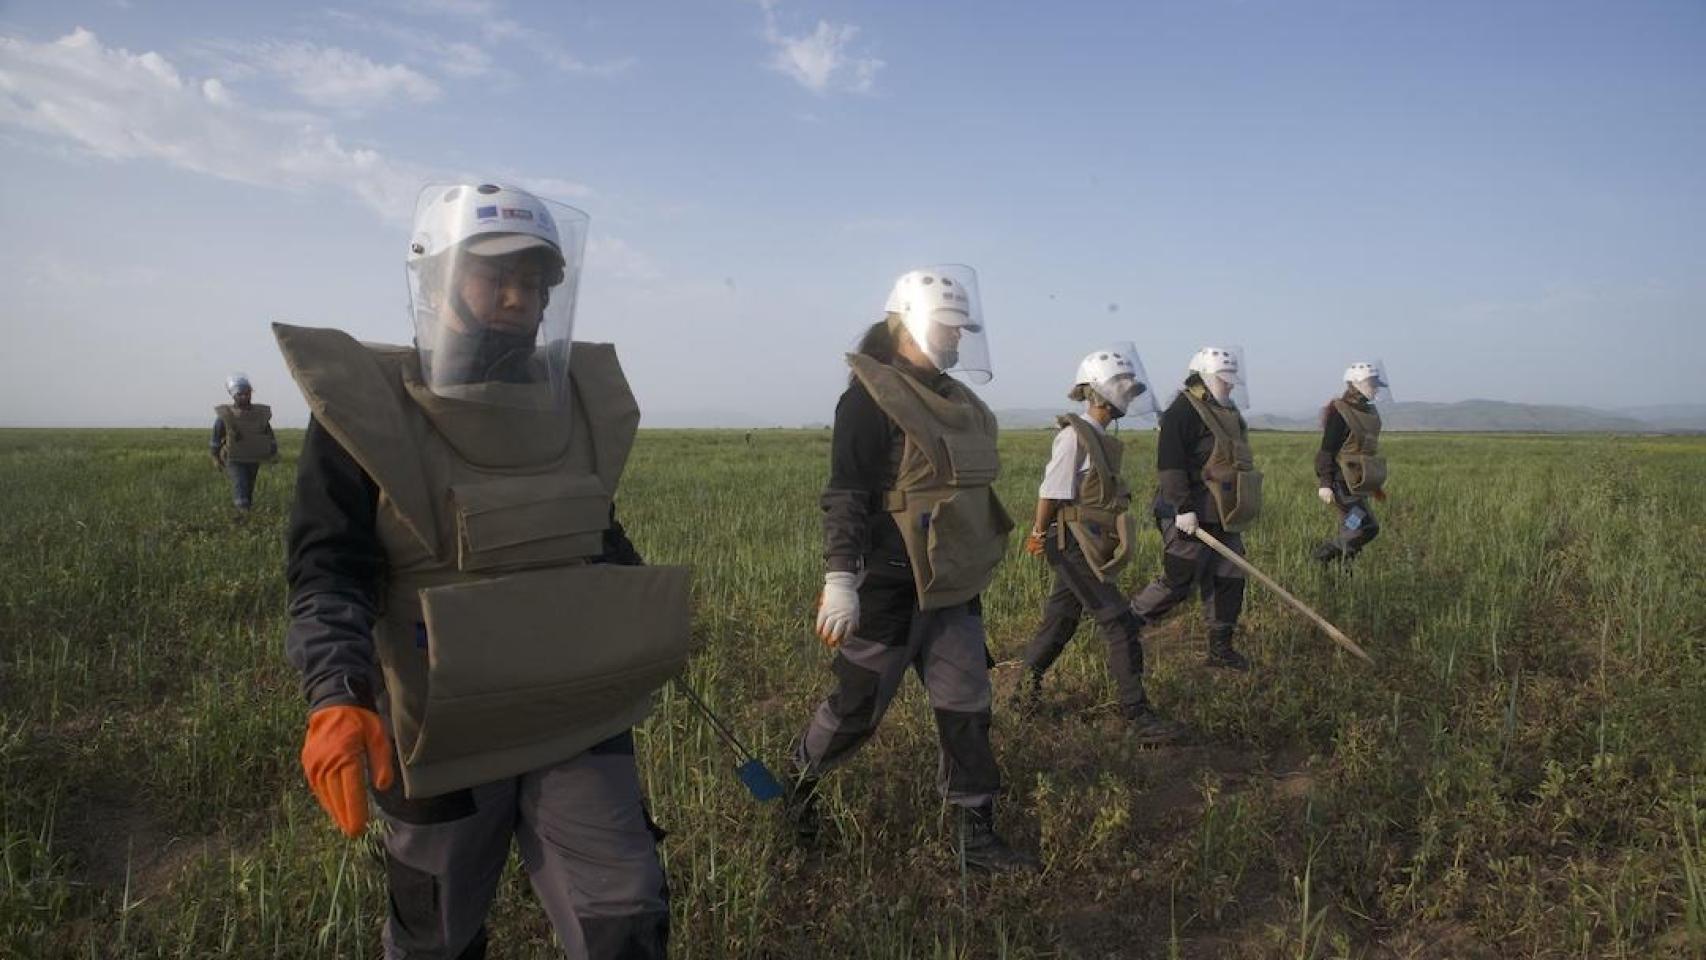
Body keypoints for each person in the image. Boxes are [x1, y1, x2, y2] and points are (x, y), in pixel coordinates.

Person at [276, 182, 688, 959]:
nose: (516, 297)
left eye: (534, 282)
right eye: (492, 275)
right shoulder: (365, 409)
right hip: (436, 730)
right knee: (434, 930)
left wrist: (645, 620)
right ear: (434, 282)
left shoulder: (570, 406)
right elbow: (329, 568)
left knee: (626, 913)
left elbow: (591, 533)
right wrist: (337, 693)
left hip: (575, 709)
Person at [786, 265, 1038, 873]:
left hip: (953, 586)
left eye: (961, 328)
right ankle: (798, 787)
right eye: (947, 326)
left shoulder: (959, 401)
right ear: (907, 324)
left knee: (967, 710)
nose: (956, 338)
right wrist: (840, 580)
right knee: (855, 710)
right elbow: (846, 492)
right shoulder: (868, 398)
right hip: (890, 588)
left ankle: (974, 834)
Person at [1017, 344, 1181, 742]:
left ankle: (1022, 695)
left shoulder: (1098, 437)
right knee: (1120, 623)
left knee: (1061, 619)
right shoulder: (1075, 437)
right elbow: (1051, 492)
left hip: (1084, 542)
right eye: (1123, 384)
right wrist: (1039, 533)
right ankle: (1138, 717)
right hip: (1070, 543)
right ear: (1101, 390)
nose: (1130, 391)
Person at [1129, 347, 1262, 672]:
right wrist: (1182, 507)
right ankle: (1127, 624)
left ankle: (1220, 649)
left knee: (1229, 578)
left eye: (1232, 380)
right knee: (1180, 578)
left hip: (1224, 514)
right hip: (1186, 513)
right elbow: (1170, 464)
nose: (1229, 385)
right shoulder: (1183, 410)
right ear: (1203, 376)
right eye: (1223, 379)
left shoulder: (1230, 414)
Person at [1313, 361, 1390, 564]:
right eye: (1372, 384)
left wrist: (1374, 485)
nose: (1375, 389)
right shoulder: (1340, 411)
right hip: (1341, 484)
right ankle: (1323, 555)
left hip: (1357, 484)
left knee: (1352, 525)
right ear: (1356, 383)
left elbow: (1364, 452)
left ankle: (1343, 570)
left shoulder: (1368, 412)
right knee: (1367, 527)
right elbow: (1327, 450)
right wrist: (1325, 484)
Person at [210, 373, 276, 511]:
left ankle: (247, 518)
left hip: (253, 457)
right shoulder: (226, 415)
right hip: (233, 458)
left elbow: (268, 434)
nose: (245, 397)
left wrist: (273, 451)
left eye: (247, 393)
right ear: (234, 395)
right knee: (240, 486)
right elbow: (215, 439)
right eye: (241, 394)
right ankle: (243, 515)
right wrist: (215, 458)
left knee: (249, 488)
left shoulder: (259, 414)